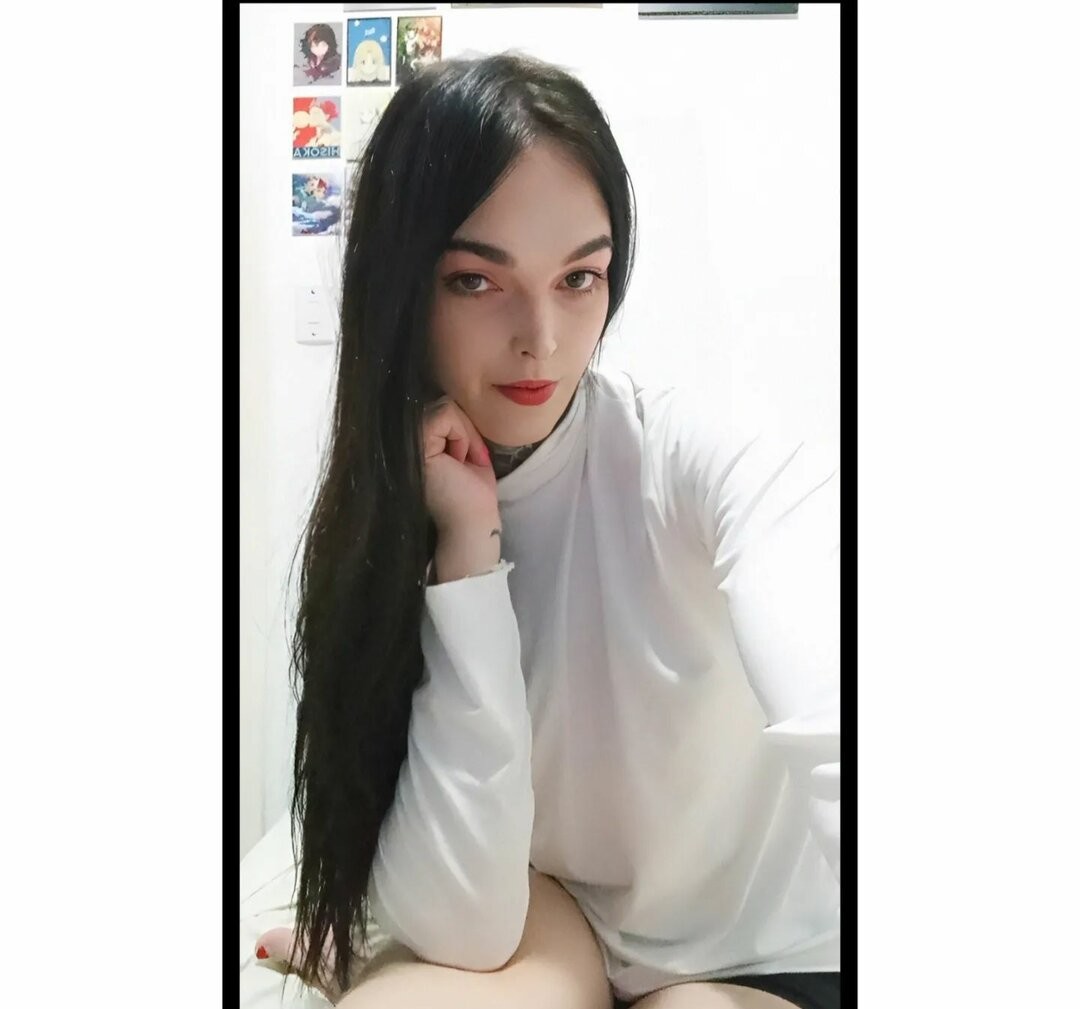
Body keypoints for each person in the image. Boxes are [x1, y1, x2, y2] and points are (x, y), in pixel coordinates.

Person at [251, 51, 841, 1009]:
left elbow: (834, 718)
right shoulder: (393, 508)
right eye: (475, 281)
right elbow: (470, 919)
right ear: (402, 287)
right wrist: (466, 551)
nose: (543, 338)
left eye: (578, 277)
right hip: (556, 914)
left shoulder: (700, 456)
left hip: (758, 950)